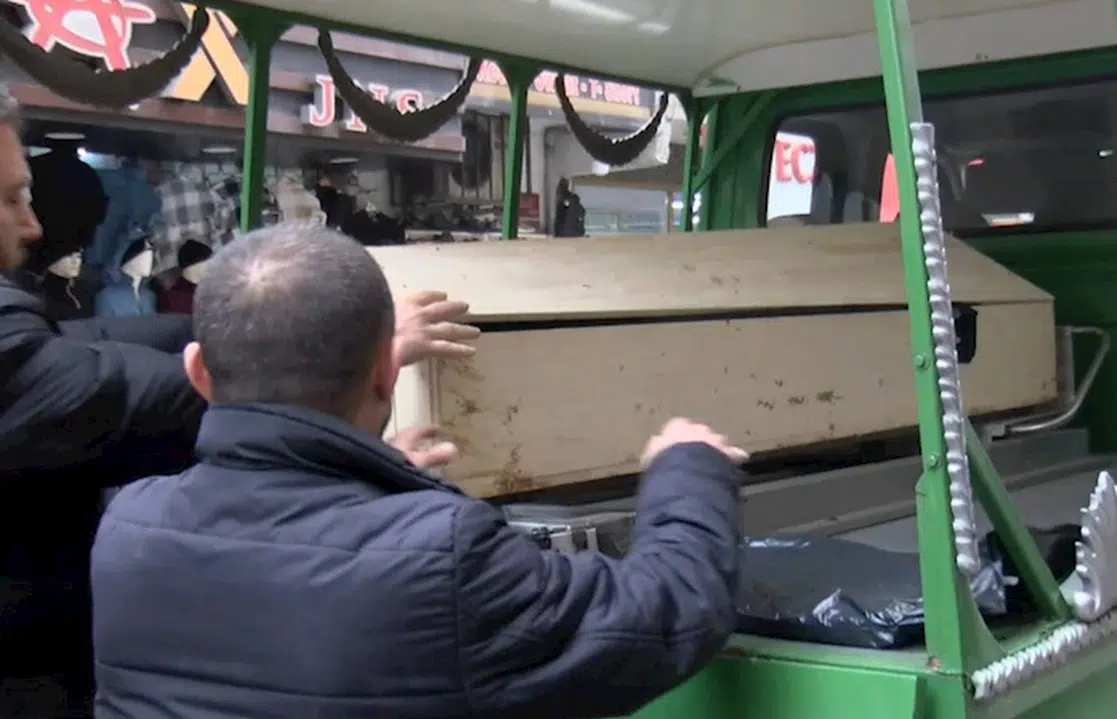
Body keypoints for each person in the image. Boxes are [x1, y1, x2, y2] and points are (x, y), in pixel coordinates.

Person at [91, 224, 747, 718]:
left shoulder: (127, 527)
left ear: (199, 373)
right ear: (387, 370)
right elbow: (667, 612)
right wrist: (687, 467)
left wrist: (378, 482)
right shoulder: (446, 558)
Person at [0, 84, 478, 716]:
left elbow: (81, 341)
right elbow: (78, 383)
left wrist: (273, 323)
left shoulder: (136, 521)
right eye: (11, 199)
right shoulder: (450, 549)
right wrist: (339, 370)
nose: (32, 224)